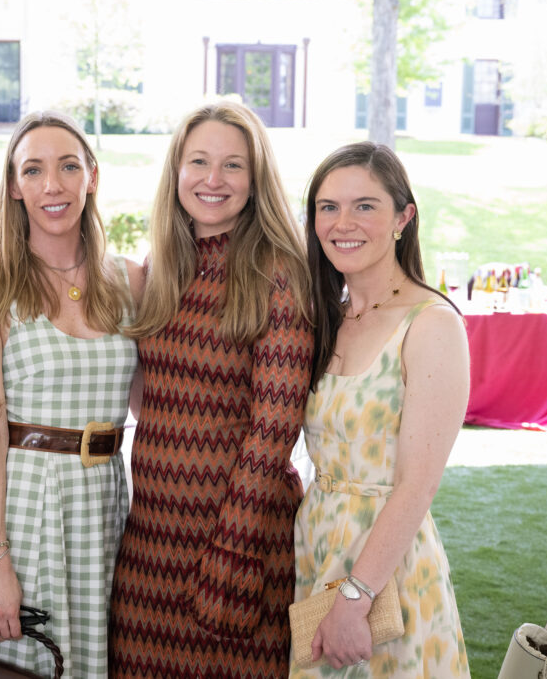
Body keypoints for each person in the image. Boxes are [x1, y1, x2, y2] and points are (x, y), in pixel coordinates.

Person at [108, 101, 314, 678]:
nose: (213, 180)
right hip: (151, 537)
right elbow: (152, 393)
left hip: (236, 536)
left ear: (256, 179)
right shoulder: (166, 263)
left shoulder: (277, 271)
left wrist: (233, 547)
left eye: (233, 165)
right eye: (198, 161)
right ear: (176, 171)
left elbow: (275, 424)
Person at [0, 110, 144, 678]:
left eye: (69, 166)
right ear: (15, 187)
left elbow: (151, 404)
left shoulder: (131, 281)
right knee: (30, 662)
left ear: (92, 176)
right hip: (28, 505)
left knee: (100, 661)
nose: (53, 185)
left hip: (107, 504)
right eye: (34, 170)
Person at [290, 142, 471, 678]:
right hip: (318, 545)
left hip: (383, 568)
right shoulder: (330, 317)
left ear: (403, 217)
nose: (343, 222)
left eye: (365, 205)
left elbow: (417, 483)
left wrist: (355, 596)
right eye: (328, 207)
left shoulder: (431, 324)